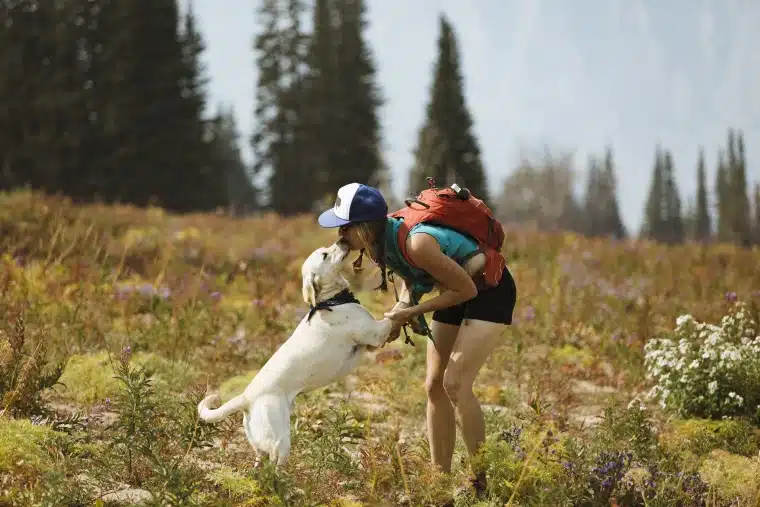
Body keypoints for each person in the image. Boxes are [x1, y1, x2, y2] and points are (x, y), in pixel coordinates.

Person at [317, 182, 517, 491]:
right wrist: (397, 315)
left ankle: (479, 483)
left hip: (489, 290)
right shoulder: (381, 244)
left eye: (345, 229)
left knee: (456, 384)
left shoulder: (417, 242)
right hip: (455, 289)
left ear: (365, 227)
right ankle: (440, 483)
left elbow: (467, 290)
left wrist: (410, 313)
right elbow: (415, 279)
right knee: (434, 385)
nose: (340, 236)